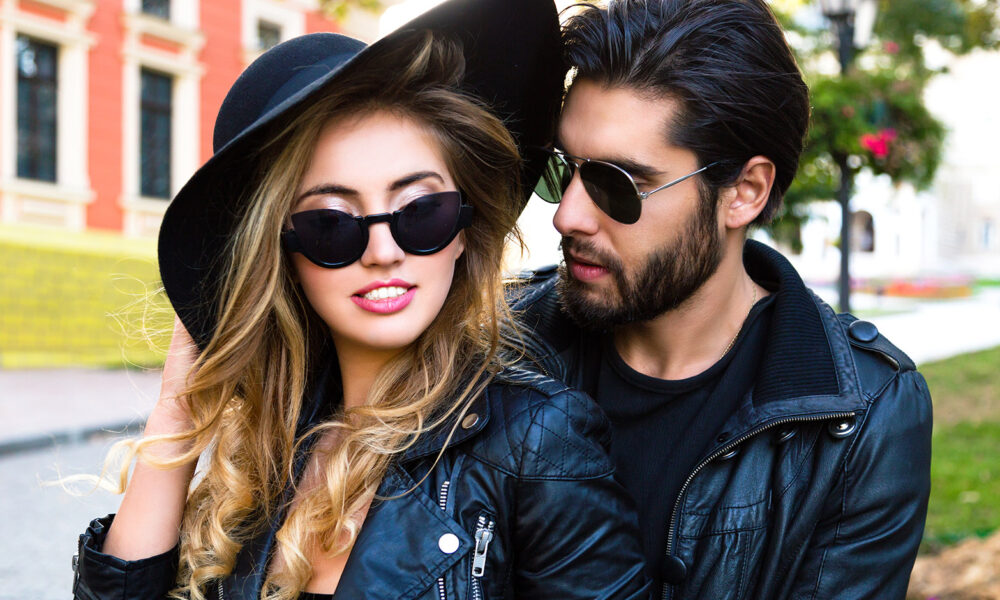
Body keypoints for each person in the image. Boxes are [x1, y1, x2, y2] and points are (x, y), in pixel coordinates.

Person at [71, 1, 651, 598]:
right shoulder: (268, 450)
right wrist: (179, 407)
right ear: (286, 255)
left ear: (462, 234)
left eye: (421, 213)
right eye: (331, 224)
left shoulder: (540, 445)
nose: (381, 251)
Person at [511, 0, 934, 598]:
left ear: (744, 192)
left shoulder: (860, 417)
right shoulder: (501, 348)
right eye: (565, 170)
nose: (568, 216)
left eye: (619, 184)